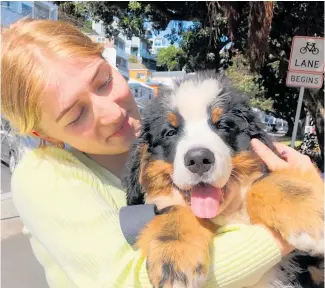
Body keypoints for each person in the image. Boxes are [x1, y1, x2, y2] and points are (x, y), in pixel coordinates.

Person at [1, 18, 319, 288]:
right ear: (41, 133)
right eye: (76, 115)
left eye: (103, 81)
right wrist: (280, 237)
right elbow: (132, 281)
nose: (110, 112)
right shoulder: (43, 176)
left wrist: (295, 188)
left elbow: (258, 167)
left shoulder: (156, 124)